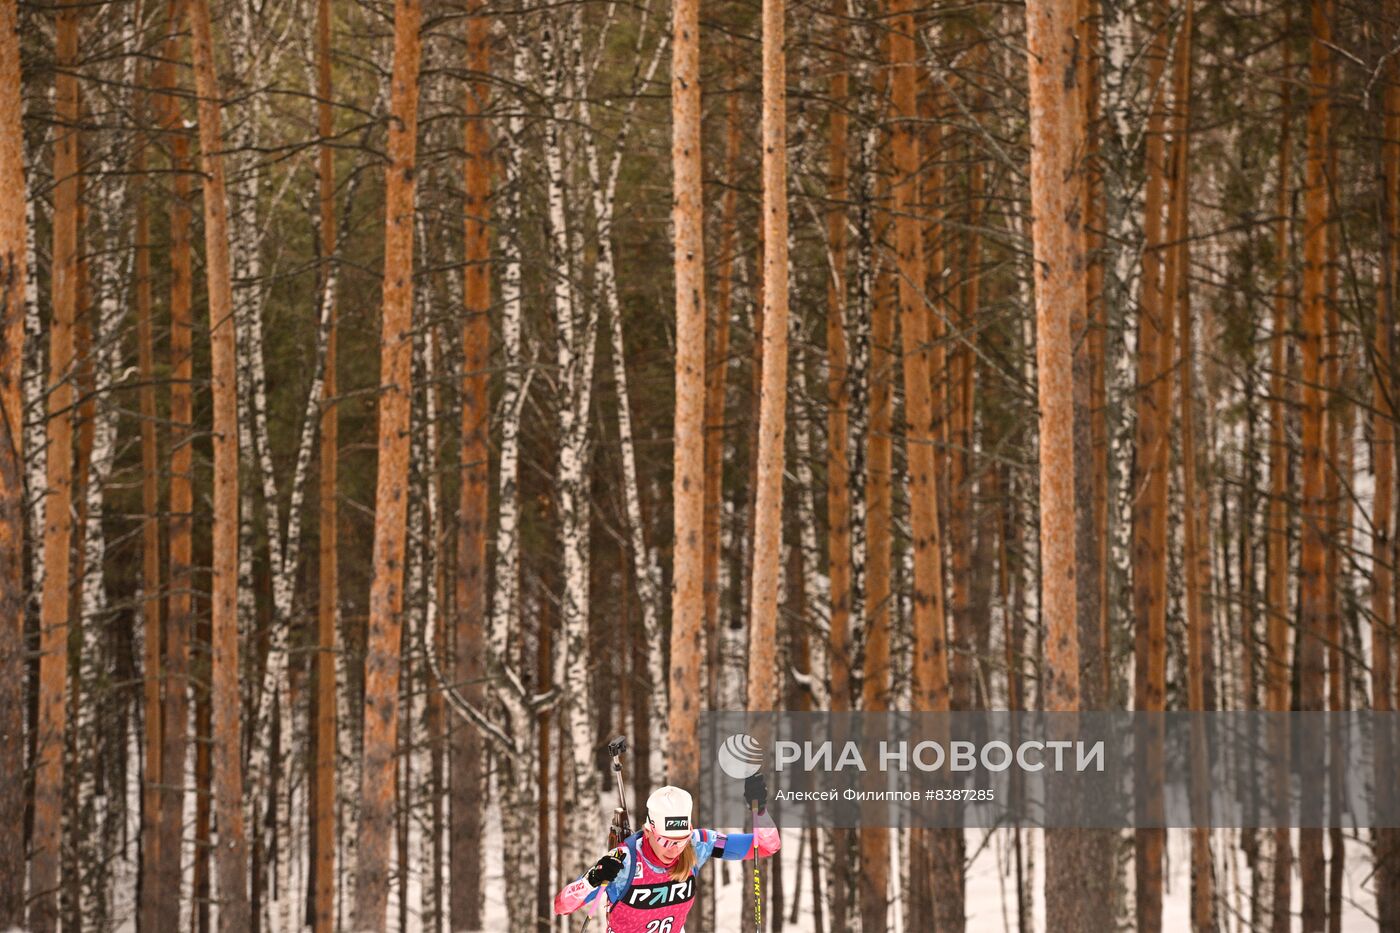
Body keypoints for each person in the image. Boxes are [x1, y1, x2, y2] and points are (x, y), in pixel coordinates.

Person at [553, 776, 780, 932]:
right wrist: (592, 879)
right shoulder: (624, 860)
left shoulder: (697, 844)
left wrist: (760, 812)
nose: (675, 849)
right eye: (665, 840)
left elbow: (767, 846)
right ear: (649, 830)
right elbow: (562, 906)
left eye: (681, 840)